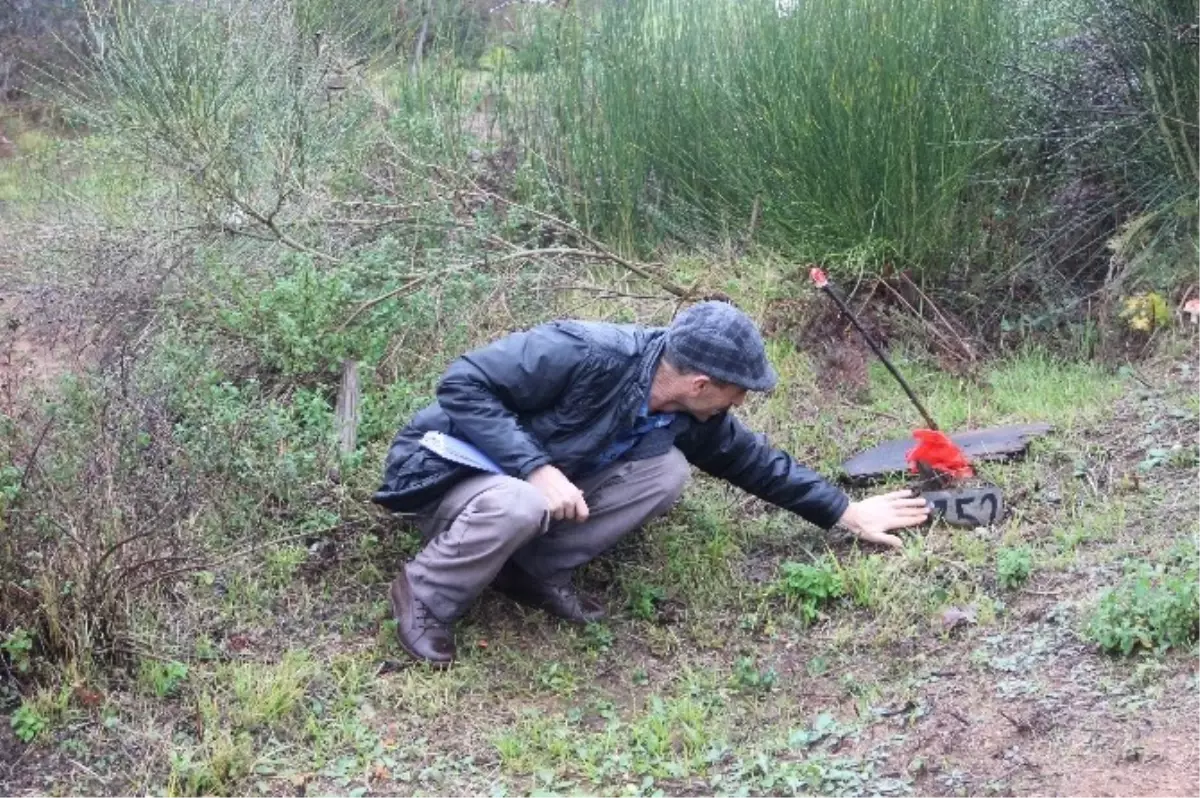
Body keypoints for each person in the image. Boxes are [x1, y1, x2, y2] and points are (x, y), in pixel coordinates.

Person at [372, 300, 929, 666]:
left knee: (665, 472)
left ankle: (526, 572)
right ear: (702, 383)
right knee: (520, 501)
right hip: (447, 469)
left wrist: (844, 512)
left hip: (514, 486)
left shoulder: (690, 412)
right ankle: (425, 595)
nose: (739, 404)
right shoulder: (586, 351)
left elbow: (754, 462)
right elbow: (462, 383)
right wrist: (535, 468)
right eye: (738, 393)